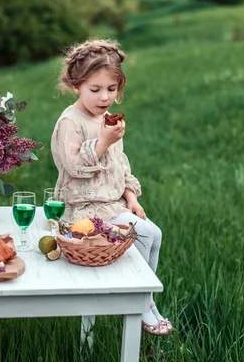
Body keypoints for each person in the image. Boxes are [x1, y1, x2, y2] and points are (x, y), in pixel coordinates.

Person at [50, 39, 173, 336]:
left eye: (111, 89)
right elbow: (75, 167)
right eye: (95, 90)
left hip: (112, 204)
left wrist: (130, 196)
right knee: (144, 234)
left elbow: (120, 163)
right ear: (77, 85)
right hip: (84, 208)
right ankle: (140, 302)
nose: (104, 97)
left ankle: (142, 297)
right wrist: (104, 141)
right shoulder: (71, 122)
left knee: (153, 235)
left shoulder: (108, 120)